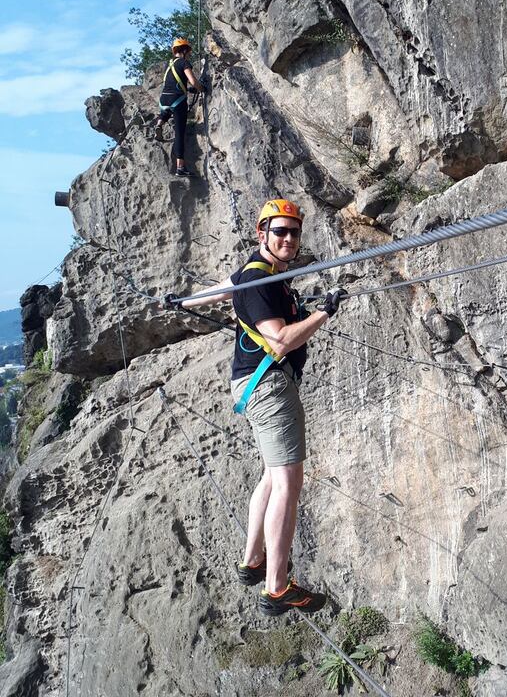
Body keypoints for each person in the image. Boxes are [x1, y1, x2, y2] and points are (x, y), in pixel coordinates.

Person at [168, 199, 346, 616]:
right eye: (279, 231)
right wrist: (324, 311)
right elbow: (282, 340)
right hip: (268, 386)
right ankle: (277, 587)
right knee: (288, 482)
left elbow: (224, 289)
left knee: (270, 476)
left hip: (253, 385)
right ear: (261, 233)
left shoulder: (261, 274)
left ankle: (253, 562)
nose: (288, 239)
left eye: (293, 232)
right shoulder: (262, 281)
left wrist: (182, 302)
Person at [155, 37, 205, 178]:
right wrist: (202, 88)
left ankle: (160, 123)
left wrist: (189, 90)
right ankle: (180, 167)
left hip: (164, 98)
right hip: (177, 100)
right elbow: (193, 81)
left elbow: (175, 82)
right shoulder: (184, 62)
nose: (189, 54)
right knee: (179, 134)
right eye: (188, 51)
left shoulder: (169, 65)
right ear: (184, 50)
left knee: (167, 110)